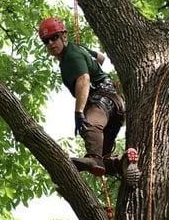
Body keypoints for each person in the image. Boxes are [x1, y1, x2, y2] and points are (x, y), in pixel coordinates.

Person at [38, 17, 140, 188]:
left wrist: (78, 113)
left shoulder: (70, 57)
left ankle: (93, 158)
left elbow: (84, 79)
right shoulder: (77, 50)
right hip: (115, 106)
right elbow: (101, 58)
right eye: (46, 41)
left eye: (54, 37)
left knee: (89, 125)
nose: (50, 44)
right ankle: (123, 164)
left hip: (102, 100)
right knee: (102, 161)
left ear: (64, 35)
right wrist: (85, 54)